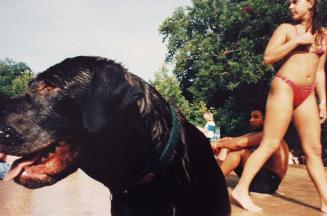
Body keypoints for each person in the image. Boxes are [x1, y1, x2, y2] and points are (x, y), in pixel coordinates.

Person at [232, 0, 327, 212]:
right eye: (289, 3)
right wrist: (296, 41)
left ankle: (326, 202)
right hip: (285, 86)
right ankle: (241, 189)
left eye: (295, 1)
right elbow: (268, 57)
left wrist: (323, 101)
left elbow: (320, 71)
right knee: (271, 142)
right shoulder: (286, 29)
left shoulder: (323, 35)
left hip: (307, 93)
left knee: (314, 150)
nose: (290, 6)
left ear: (311, 3)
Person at [212, 110, 289, 194]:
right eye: (251, 117)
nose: (251, 120)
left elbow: (238, 144)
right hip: (261, 178)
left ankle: (213, 180)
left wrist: (217, 146)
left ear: (267, 119)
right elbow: (231, 139)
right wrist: (215, 144)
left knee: (239, 151)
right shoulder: (258, 134)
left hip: (269, 183)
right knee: (227, 146)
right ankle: (215, 174)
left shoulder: (269, 136)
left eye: (256, 117)